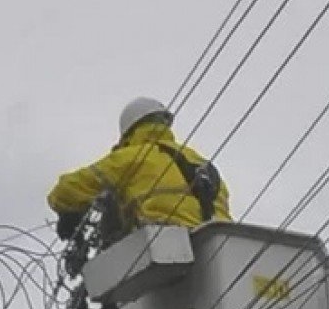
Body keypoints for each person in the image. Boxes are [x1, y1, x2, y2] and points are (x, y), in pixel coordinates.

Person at [48, 97, 231, 241]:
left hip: (162, 243)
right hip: (221, 245)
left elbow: (66, 189)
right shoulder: (202, 162)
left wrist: (68, 212)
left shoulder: (132, 157)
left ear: (128, 131)